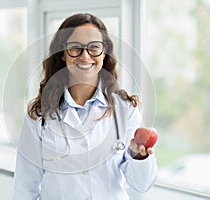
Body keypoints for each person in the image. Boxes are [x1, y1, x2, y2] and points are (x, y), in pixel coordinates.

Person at [13, 13, 158, 200]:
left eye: (94, 48)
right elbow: (25, 187)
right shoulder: (40, 115)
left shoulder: (125, 110)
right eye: (75, 48)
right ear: (63, 53)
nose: (85, 56)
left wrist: (139, 158)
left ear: (104, 53)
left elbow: (142, 184)